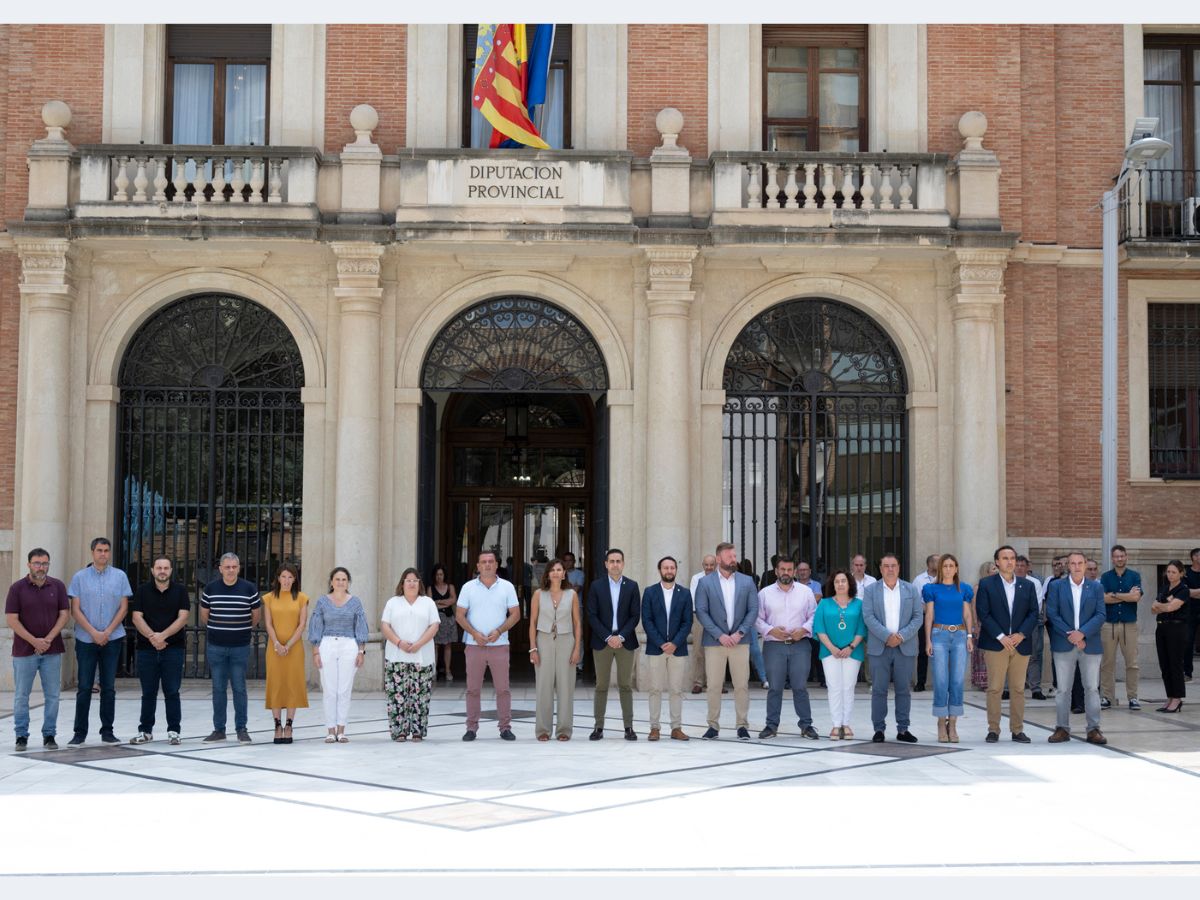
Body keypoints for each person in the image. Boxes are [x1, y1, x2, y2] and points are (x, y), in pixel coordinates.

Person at [68, 537, 132, 747]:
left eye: (106, 550)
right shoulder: (79, 577)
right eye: (99, 550)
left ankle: (107, 731)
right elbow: (75, 609)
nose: (103, 554)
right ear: (92, 552)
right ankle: (80, 733)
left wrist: (107, 632)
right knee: (85, 686)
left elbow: (123, 608)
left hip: (112, 639)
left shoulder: (120, 576)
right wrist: (94, 632)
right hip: (86, 639)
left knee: (109, 687)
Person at [6, 548, 69, 751]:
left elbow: (64, 615)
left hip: (52, 650)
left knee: (52, 695)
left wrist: (48, 639)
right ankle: (21, 736)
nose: (41, 567)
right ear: (29, 564)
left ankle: (49, 735)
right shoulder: (17, 588)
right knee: (21, 696)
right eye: (37, 563)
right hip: (24, 651)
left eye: (44, 563)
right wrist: (35, 641)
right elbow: (11, 620)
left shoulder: (57, 586)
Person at [694, 542, 759, 740]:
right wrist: (719, 635)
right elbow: (702, 612)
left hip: (741, 641)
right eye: (730, 556)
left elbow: (753, 610)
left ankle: (742, 725)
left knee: (741, 685)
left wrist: (740, 633)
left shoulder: (747, 582)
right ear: (719, 558)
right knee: (713, 685)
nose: (734, 559)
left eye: (734, 555)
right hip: (715, 643)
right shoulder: (705, 583)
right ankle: (713, 725)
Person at [455, 549, 521, 742]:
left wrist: (499, 631)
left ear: (496, 564)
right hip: (474, 645)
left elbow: (515, 614)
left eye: (490, 561)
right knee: (472, 689)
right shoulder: (468, 587)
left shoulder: (507, 587)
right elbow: (460, 615)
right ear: (477, 566)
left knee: (503, 689)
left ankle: (505, 727)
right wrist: (475, 633)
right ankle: (471, 728)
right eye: (483, 562)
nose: (487, 565)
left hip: (499, 644)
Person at [975, 545, 1038, 744]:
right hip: (996, 644)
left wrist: (1020, 634)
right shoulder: (986, 584)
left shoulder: (1027, 585)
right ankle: (993, 729)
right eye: (1005, 558)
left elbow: (1034, 613)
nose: (1010, 562)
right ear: (997, 562)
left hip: (1020, 644)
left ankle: (1017, 730)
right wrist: (1001, 636)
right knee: (994, 688)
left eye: (1012, 558)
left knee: (1018, 689)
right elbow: (983, 613)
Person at [1046, 551, 1107, 745]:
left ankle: (1094, 729)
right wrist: (1072, 635)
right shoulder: (1056, 586)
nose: (1077, 566)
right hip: (1064, 643)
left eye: (1080, 563)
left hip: (1090, 644)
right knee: (1063, 689)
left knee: (1092, 688)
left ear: (1086, 564)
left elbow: (1100, 615)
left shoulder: (1096, 587)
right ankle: (1062, 728)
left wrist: (1082, 633)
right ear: (1068, 566)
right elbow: (1052, 614)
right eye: (1073, 563)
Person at [200, 552, 261, 744]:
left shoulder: (249, 588)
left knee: (239, 688)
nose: (231, 570)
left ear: (239, 568)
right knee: (218, 688)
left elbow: (256, 616)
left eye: (234, 567)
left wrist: (240, 629)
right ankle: (219, 730)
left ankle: (241, 728)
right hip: (216, 646)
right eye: (227, 567)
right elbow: (204, 616)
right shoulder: (210, 588)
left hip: (240, 647)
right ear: (220, 569)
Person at [861, 553, 923, 743]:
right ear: (880, 569)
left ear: (898, 568)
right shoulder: (871, 590)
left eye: (893, 565)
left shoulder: (911, 590)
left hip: (905, 647)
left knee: (903, 690)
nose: (890, 569)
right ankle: (879, 729)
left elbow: (917, 617)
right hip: (880, 647)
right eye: (886, 566)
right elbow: (868, 617)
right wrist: (887, 636)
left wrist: (901, 636)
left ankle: (903, 729)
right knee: (879, 690)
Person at [128, 557, 190, 746]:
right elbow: (136, 618)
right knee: (148, 692)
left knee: (172, 691)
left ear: (171, 570)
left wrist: (162, 636)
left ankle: (174, 731)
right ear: (153, 570)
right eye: (159, 568)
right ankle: (145, 731)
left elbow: (183, 617)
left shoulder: (180, 591)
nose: (162, 571)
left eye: (166, 568)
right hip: (147, 650)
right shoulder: (142, 591)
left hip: (173, 649)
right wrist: (153, 638)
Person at [756, 557, 818, 740]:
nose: (786, 573)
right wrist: (770, 630)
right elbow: (757, 619)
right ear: (776, 571)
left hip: (800, 645)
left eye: (789, 569)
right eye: (782, 569)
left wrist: (804, 629)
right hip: (774, 646)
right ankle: (771, 725)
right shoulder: (765, 593)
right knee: (775, 687)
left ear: (794, 572)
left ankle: (806, 725)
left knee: (800, 687)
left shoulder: (806, 592)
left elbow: (814, 615)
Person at [307, 567, 368, 743]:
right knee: (329, 690)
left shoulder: (355, 602)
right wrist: (316, 651)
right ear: (331, 582)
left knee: (344, 690)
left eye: (344, 579)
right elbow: (316, 626)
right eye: (337, 579)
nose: (340, 582)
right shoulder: (322, 602)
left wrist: (361, 651)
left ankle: (341, 730)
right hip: (326, 645)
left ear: (348, 582)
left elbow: (361, 627)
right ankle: (330, 730)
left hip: (349, 645)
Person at [585, 548, 640, 740]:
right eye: (612, 561)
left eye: (618, 561)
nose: (615, 564)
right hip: (602, 642)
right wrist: (608, 637)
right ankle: (598, 727)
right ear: (606, 564)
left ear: (623, 564)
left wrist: (621, 636)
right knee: (601, 685)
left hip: (625, 642)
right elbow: (591, 615)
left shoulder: (632, 586)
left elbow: (635, 615)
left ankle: (628, 727)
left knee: (625, 685)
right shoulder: (596, 586)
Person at [381, 568, 440, 741]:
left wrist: (419, 644)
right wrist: (399, 642)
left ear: (419, 583)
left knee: (420, 696)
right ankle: (399, 731)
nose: (412, 583)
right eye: (408, 580)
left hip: (422, 656)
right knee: (397, 696)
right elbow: (385, 625)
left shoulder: (427, 602)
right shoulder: (393, 602)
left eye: (415, 580)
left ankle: (417, 731)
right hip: (396, 656)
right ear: (402, 583)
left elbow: (434, 625)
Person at [922, 554, 974, 743]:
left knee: (957, 681)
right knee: (941, 681)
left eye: (952, 565)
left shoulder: (964, 589)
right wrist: (928, 641)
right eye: (945, 566)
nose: (948, 569)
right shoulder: (931, 589)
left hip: (960, 636)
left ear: (957, 568)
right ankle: (940, 721)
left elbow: (968, 614)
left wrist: (970, 635)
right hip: (939, 635)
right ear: (940, 568)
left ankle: (952, 723)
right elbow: (929, 616)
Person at [641, 556, 692, 741]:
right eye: (665, 567)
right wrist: (661, 643)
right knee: (655, 689)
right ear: (659, 570)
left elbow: (688, 622)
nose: (669, 570)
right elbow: (647, 620)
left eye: (672, 567)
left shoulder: (685, 594)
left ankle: (676, 728)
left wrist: (675, 643)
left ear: (676, 570)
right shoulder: (650, 592)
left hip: (677, 649)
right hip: (656, 648)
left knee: (676, 690)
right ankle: (654, 728)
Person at [530, 558, 581, 741]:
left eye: (559, 569)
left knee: (566, 686)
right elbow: (532, 623)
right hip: (543, 641)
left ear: (564, 573)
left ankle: (564, 730)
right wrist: (533, 649)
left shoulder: (571, 595)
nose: (556, 573)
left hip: (566, 641)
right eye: (553, 570)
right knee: (543, 686)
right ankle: (543, 730)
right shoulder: (538, 594)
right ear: (548, 574)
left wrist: (577, 649)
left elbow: (577, 623)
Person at [813, 570, 866, 740]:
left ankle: (846, 723)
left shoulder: (859, 604)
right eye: (837, 581)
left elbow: (861, 628)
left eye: (844, 581)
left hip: (853, 651)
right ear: (832, 585)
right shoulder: (824, 603)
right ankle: (836, 724)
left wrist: (850, 646)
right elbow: (819, 627)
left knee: (848, 687)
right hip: (830, 652)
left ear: (850, 583)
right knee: (834, 687)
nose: (840, 584)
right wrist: (832, 648)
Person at [262, 563, 309, 745]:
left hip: (294, 649)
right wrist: (277, 644)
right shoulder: (269, 598)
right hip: (274, 648)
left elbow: (302, 624)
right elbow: (268, 624)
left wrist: (288, 645)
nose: (287, 580)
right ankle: (277, 725)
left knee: (291, 684)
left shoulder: (302, 598)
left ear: (295, 579)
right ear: (278, 578)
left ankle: (289, 725)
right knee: (276, 683)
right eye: (283, 576)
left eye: (290, 577)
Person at [1099, 544, 1142, 710]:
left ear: (1126, 557)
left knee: (1132, 663)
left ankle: (1133, 698)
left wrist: (1115, 594)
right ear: (1112, 558)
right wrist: (1126, 596)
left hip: (1129, 625)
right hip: (1109, 625)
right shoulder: (1106, 577)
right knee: (1107, 663)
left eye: (1122, 556)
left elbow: (1136, 597)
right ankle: (1107, 697)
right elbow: (1103, 598)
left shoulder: (1134, 576)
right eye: (1116, 556)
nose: (1119, 559)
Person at [1152, 561, 1190, 713]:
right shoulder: (1164, 588)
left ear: (1181, 573)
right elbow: (1152, 609)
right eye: (1168, 572)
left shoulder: (1183, 590)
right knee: (1165, 665)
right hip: (1161, 627)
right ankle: (1170, 697)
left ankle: (1177, 698)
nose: (1170, 575)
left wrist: (1163, 605)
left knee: (1175, 664)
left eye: (1174, 572)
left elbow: (1172, 607)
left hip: (1176, 629)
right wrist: (1164, 605)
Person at [1016, 555, 1048, 700]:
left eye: (1023, 565)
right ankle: (1006, 688)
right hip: (1011, 624)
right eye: (1017, 565)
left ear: (1027, 567)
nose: (1020, 568)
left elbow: (1038, 605)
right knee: (1007, 654)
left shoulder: (1035, 583)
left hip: (1031, 623)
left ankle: (1035, 688)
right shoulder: (1006, 581)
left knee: (1034, 656)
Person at [689, 554, 718, 694]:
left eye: (711, 565)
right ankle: (698, 683)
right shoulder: (696, 578)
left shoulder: (721, 578)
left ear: (716, 565)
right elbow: (695, 599)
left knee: (717, 651)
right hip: (700, 617)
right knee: (699, 651)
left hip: (717, 619)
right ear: (703, 565)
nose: (709, 567)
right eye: (706, 565)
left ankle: (717, 683)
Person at [737, 558, 769, 688]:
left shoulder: (748, 583)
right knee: (737, 652)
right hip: (732, 623)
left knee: (755, 650)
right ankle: (740, 680)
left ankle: (764, 678)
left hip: (748, 622)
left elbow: (754, 604)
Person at [911, 554, 939, 692]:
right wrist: (927, 611)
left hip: (942, 619)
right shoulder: (919, 579)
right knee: (923, 649)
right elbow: (915, 599)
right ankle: (921, 682)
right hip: (924, 617)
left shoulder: (945, 578)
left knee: (942, 650)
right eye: (935, 561)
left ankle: (941, 682)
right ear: (928, 564)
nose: (938, 563)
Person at [797, 560, 826, 688]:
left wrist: (800, 603)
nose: (803, 572)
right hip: (797, 625)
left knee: (817, 652)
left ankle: (823, 679)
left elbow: (818, 597)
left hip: (813, 625)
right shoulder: (793, 584)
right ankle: (795, 680)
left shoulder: (816, 584)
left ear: (810, 571)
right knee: (797, 653)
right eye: (800, 570)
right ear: (797, 572)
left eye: (805, 570)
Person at [428, 563, 458, 682]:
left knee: (447, 645)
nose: (439, 577)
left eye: (441, 574)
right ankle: (434, 671)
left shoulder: (450, 587)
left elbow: (453, 600)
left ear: (444, 575)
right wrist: (446, 602)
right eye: (437, 575)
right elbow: (431, 603)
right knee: (435, 645)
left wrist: (440, 602)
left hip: (449, 619)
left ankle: (448, 670)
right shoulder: (430, 588)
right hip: (436, 620)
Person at [1183, 548, 1200, 681]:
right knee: (1188, 642)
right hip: (1190, 612)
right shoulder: (1186, 574)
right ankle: (1187, 673)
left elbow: (1191, 592)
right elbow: (1185, 592)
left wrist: (1194, 592)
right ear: (1193, 557)